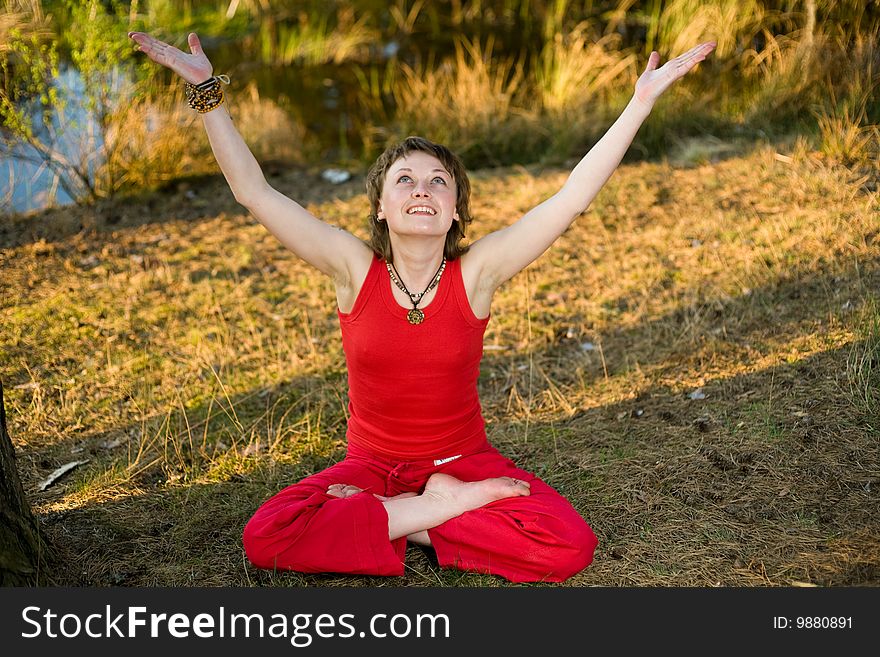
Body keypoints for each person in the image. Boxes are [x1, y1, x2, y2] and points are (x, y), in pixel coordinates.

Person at [128, 29, 716, 583]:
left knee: (568, 544)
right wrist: (207, 95)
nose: (421, 191)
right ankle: (433, 513)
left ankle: (398, 519)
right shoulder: (353, 269)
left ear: (456, 209)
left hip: (463, 460)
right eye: (404, 180)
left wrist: (639, 103)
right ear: (381, 208)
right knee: (267, 535)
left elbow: (572, 197)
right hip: (367, 466)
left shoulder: (478, 273)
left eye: (439, 182)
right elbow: (253, 191)